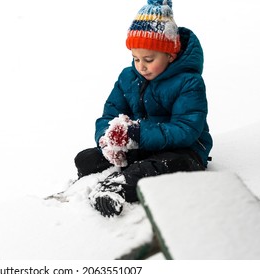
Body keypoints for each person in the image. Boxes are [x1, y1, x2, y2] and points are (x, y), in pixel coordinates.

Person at [74, 0, 213, 217]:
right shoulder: (128, 77)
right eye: (136, 58)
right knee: (87, 158)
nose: (141, 66)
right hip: (142, 145)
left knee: (153, 168)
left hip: (184, 151)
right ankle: (97, 181)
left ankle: (116, 190)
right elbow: (110, 113)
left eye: (149, 59)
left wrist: (137, 135)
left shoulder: (189, 82)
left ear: (171, 54)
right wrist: (107, 139)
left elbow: (186, 130)